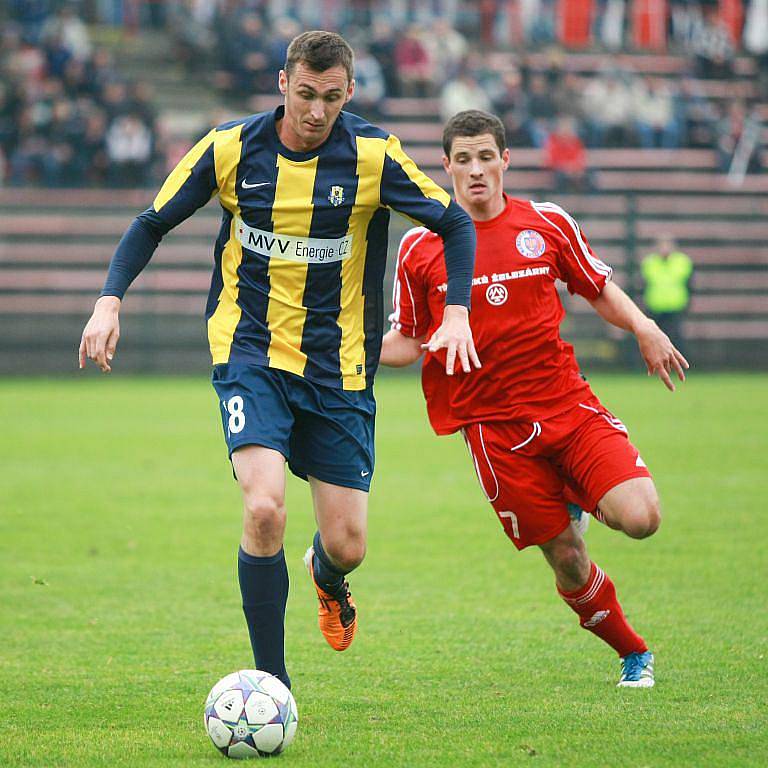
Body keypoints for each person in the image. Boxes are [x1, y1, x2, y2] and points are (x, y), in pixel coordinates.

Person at [78, 32, 480, 690]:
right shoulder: (230, 148)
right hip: (250, 357)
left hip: (340, 369)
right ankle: (272, 685)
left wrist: (457, 312)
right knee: (263, 508)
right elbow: (151, 222)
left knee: (349, 545)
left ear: (348, 92)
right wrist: (108, 302)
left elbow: (455, 223)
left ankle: (326, 575)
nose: (316, 111)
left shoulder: (374, 157)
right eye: (304, 94)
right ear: (282, 86)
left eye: (330, 97)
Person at [381, 110, 689, 688]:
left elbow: (595, 286)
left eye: (485, 157)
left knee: (642, 518)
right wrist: (348, 348)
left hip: (567, 407)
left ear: (505, 161)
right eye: (463, 160)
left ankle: (576, 492)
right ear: (445, 167)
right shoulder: (420, 247)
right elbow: (406, 339)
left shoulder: (545, 222)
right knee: (569, 558)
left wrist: (645, 327)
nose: (476, 170)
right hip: (494, 432)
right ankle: (633, 653)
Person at [641, 234, 694, 357]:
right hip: (655, 305)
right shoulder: (649, 263)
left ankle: (679, 363)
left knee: (676, 337)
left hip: (676, 305)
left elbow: (690, 284)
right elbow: (643, 284)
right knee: (654, 338)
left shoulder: (682, 262)